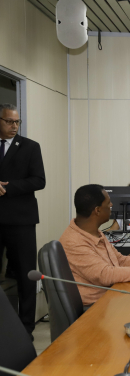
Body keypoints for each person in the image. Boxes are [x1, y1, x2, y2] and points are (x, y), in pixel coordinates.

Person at [60, 184, 130, 306]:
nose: (112, 205)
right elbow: (106, 275)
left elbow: (120, 261)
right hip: (97, 306)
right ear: (97, 210)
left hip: (111, 296)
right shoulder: (74, 241)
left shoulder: (96, 233)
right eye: (108, 203)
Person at [0, 103, 46, 341]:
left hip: (21, 221)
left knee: (25, 275)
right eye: (9, 121)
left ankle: (26, 328)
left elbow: (39, 180)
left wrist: (7, 188)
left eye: (17, 122)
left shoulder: (30, 147)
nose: (14, 126)